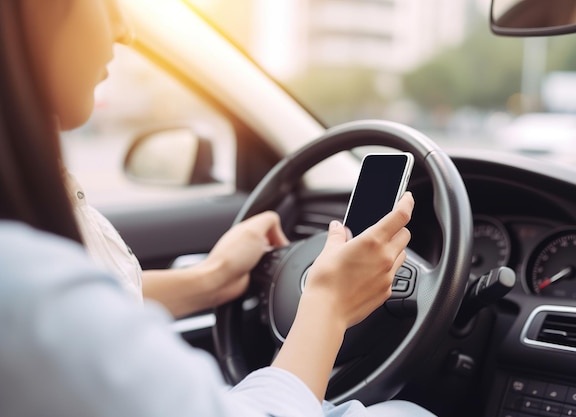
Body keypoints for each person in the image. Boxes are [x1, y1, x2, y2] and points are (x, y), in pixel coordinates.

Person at [0, 0, 435, 416]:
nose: (125, 30)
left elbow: (92, 313)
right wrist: (328, 303)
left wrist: (209, 280)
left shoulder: (31, 278)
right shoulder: (26, 298)